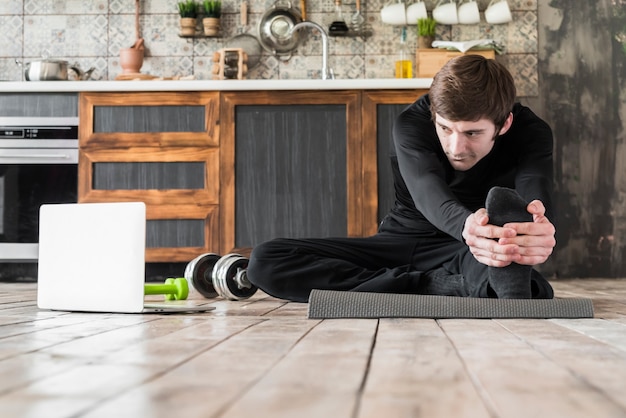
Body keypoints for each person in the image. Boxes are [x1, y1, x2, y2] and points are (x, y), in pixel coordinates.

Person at [246, 54, 556, 302]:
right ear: (434, 116)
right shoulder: (412, 122)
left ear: (504, 125)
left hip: (463, 251)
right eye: (445, 129)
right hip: (398, 241)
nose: (456, 147)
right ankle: (437, 287)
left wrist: (535, 229)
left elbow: (534, 191)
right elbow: (427, 191)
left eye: (472, 133)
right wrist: (468, 227)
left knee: (520, 280)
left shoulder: (531, 132)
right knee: (265, 260)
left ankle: (403, 286)